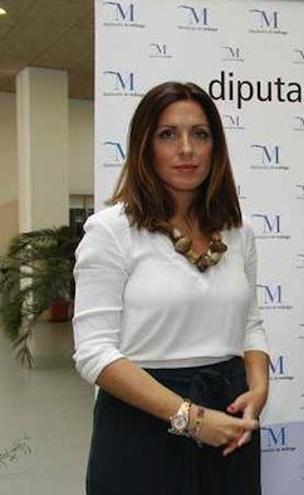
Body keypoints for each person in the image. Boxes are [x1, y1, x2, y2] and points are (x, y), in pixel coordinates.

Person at [72, 81, 269, 495]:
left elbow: (250, 323)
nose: (187, 149)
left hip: (229, 427)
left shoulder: (238, 232)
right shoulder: (110, 231)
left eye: (200, 134)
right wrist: (192, 418)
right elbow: (94, 353)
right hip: (143, 428)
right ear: (145, 146)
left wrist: (258, 387)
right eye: (168, 134)